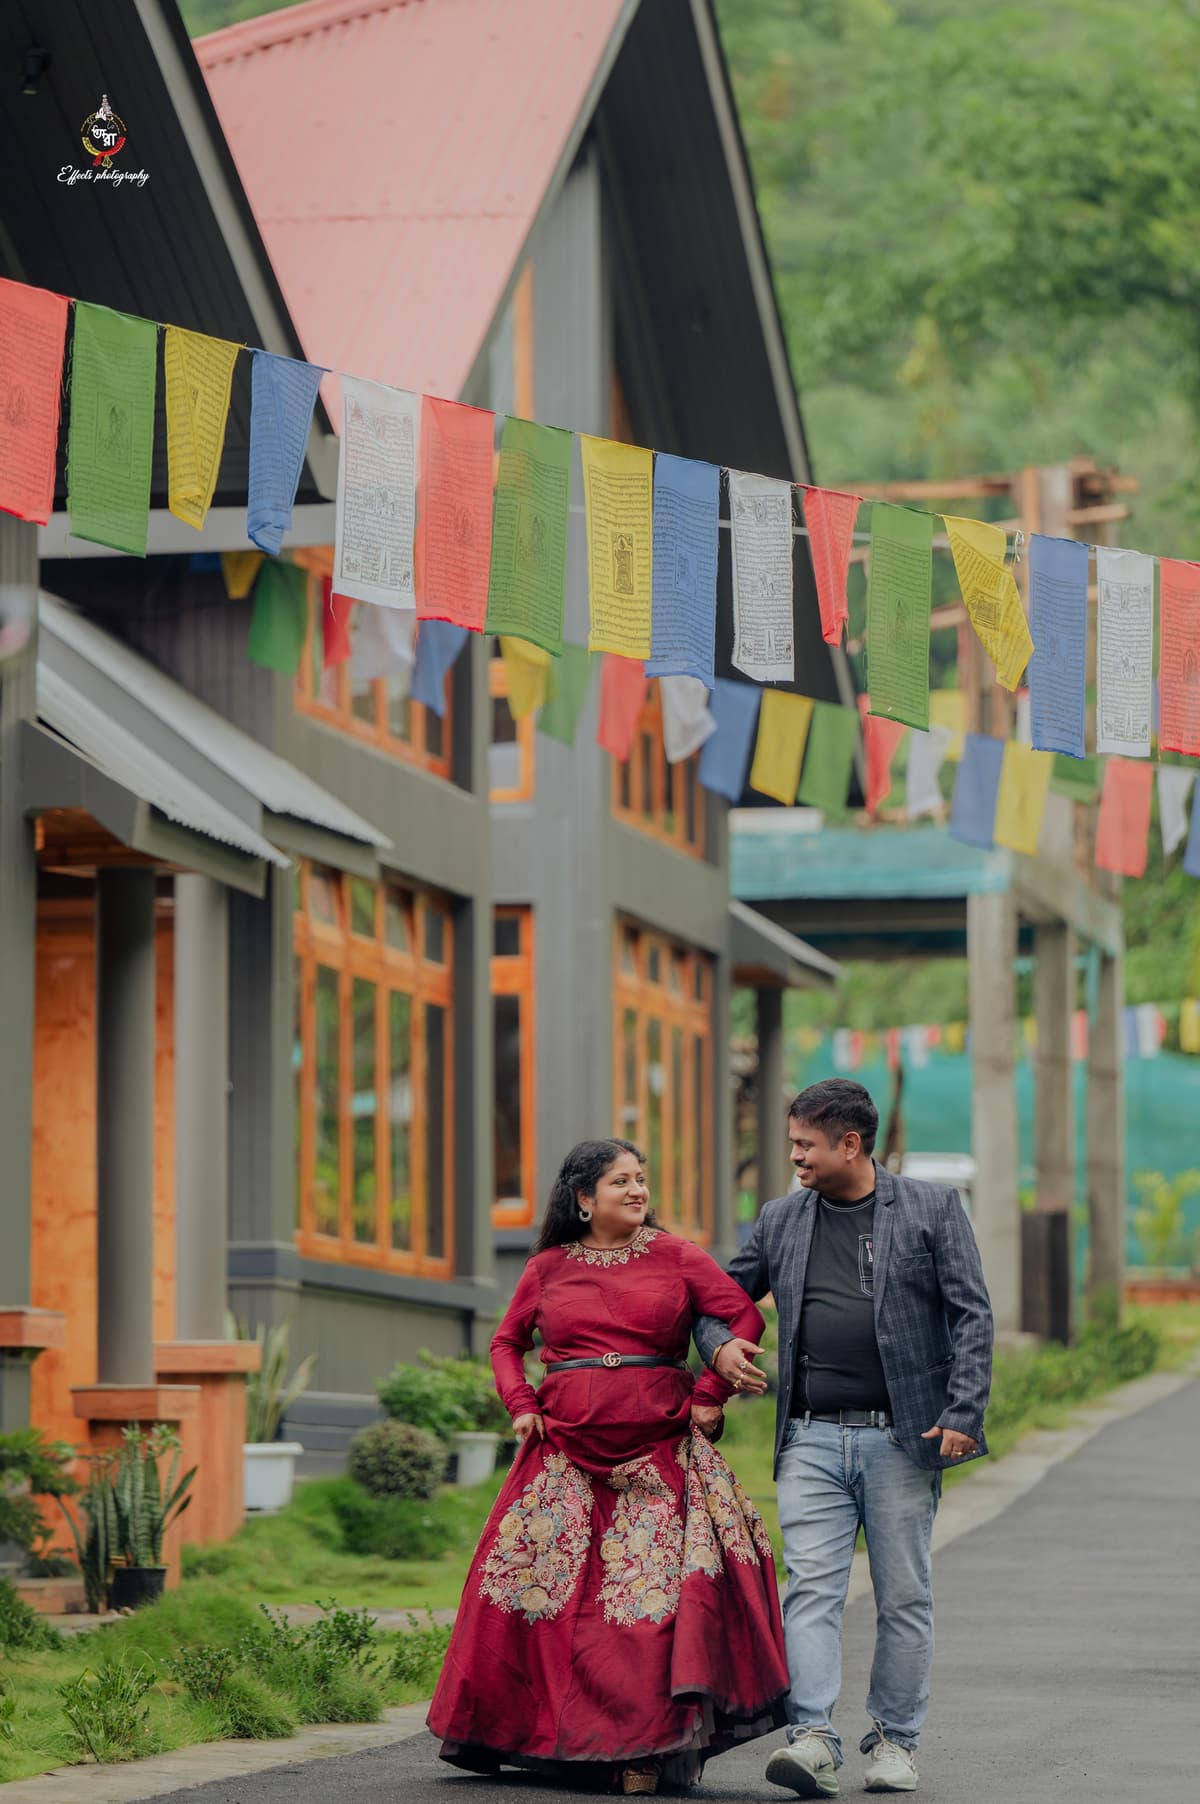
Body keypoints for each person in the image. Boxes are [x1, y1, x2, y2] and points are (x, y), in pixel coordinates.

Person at [428, 1138, 788, 1796]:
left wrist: (711, 1393)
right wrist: (521, 1405)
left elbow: (741, 1315)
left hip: (658, 1454)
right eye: (621, 1181)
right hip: (563, 1453)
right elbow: (507, 1342)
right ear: (584, 1199)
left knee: (644, 1611)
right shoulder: (546, 1268)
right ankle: (525, 1736)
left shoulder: (677, 1255)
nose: (637, 1190)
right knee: (530, 1596)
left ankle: (640, 1754)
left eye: (641, 1178)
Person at [694, 1080, 993, 1798]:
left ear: (849, 1144)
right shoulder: (781, 1218)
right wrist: (719, 1348)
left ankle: (895, 1742)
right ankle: (812, 1739)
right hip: (809, 1438)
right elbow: (717, 1302)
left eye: (805, 1144)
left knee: (904, 1595)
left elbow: (972, 1315)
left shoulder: (930, 1207)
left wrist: (963, 1410)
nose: (794, 1156)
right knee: (810, 1589)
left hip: (902, 1438)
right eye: (792, 1143)